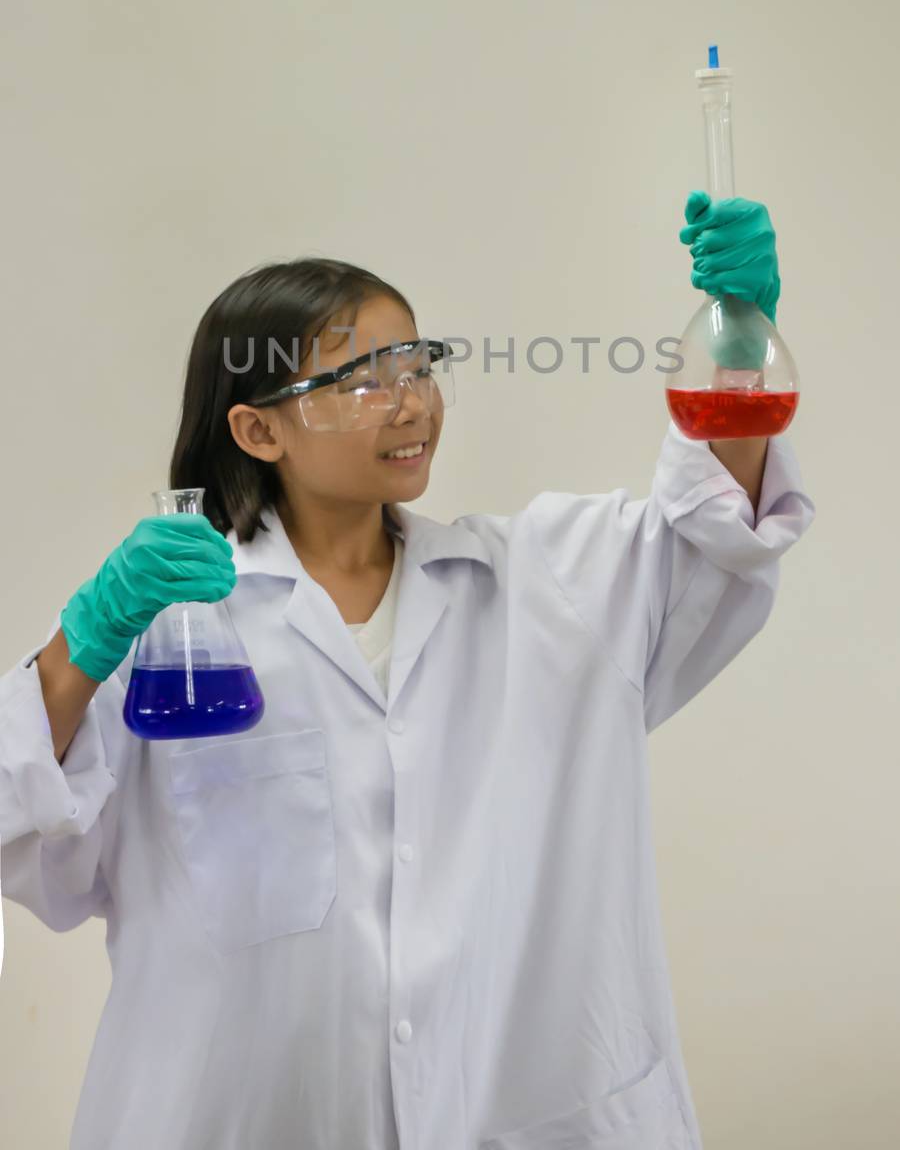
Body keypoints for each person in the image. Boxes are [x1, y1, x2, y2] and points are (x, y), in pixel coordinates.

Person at [0, 196, 814, 1150]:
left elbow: (716, 530)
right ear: (260, 434)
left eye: (419, 364)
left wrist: (739, 333)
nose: (413, 400)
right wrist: (84, 643)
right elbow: (28, 838)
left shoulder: (549, 586)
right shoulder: (173, 637)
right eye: (364, 377)